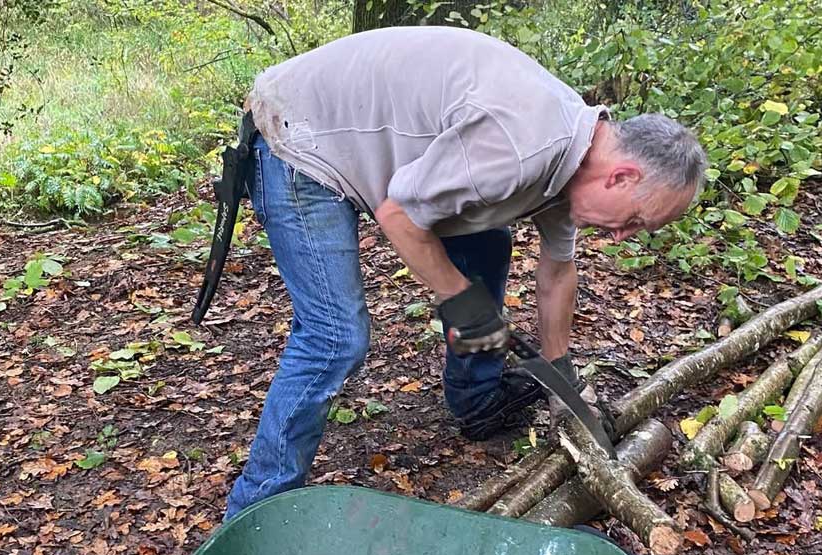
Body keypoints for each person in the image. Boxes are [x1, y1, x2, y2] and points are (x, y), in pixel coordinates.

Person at [222, 26, 706, 520]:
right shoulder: (522, 147)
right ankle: (254, 511)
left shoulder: (575, 164)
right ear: (622, 176)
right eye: (633, 221)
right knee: (335, 338)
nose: (622, 235)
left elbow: (557, 273)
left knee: (488, 239)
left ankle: (477, 400)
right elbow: (399, 216)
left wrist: (561, 378)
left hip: (365, 136)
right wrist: (461, 299)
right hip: (302, 137)